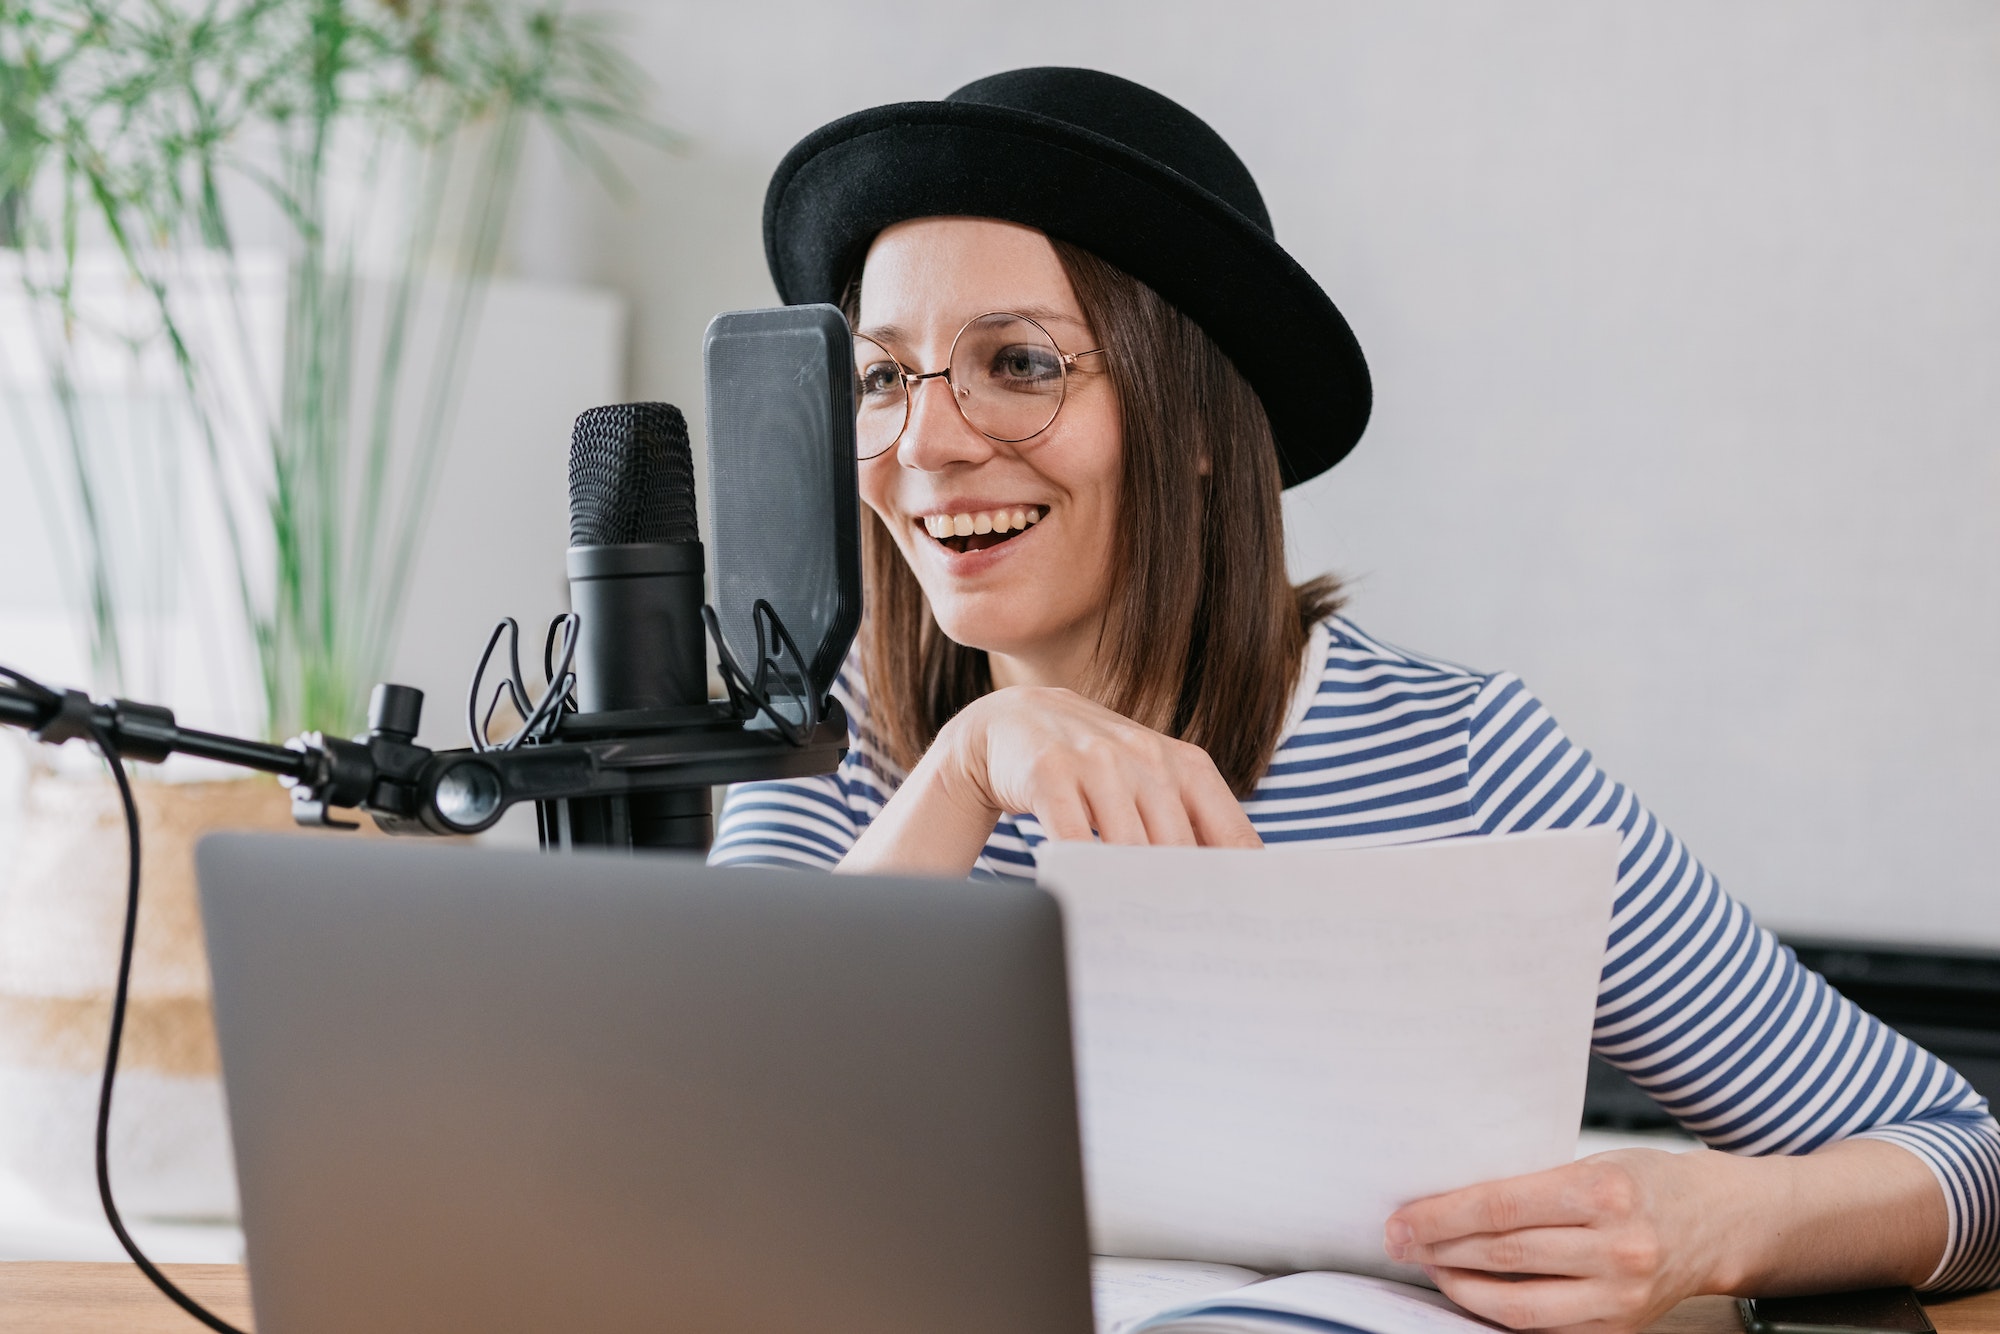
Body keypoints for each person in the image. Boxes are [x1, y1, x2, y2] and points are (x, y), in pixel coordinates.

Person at [710, 66, 2000, 1329]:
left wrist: (1714, 1225)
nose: (928, 441)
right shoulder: (837, 735)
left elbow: (1971, 1159)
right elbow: (707, 1132)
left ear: (1200, 422)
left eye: (1021, 363)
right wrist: (966, 770)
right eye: (883, 377)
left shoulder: (1466, 761)